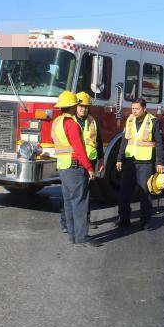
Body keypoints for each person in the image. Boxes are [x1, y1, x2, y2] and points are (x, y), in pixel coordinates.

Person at [51, 91, 100, 247]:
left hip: (63, 167)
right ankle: (82, 236)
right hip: (75, 167)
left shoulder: (57, 122)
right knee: (80, 202)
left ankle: (72, 235)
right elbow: (79, 149)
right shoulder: (72, 124)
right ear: (72, 106)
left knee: (68, 201)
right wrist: (89, 168)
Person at [115, 98, 164, 230]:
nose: (134, 111)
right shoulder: (129, 120)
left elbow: (159, 143)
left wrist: (160, 162)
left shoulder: (153, 121)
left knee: (145, 193)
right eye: (133, 109)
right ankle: (124, 219)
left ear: (144, 108)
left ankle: (145, 221)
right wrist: (119, 158)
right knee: (124, 192)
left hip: (145, 163)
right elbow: (124, 141)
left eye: (137, 109)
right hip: (130, 161)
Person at [76, 91, 104, 224]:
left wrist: (101, 159)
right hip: (75, 161)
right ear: (76, 106)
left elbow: (98, 140)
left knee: (87, 192)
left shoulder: (93, 121)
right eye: (81, 106)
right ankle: (67, 221)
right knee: (74, 193)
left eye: (86, 106)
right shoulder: (71, 121)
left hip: (91, 161)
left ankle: (85, 220)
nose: (83, 109)